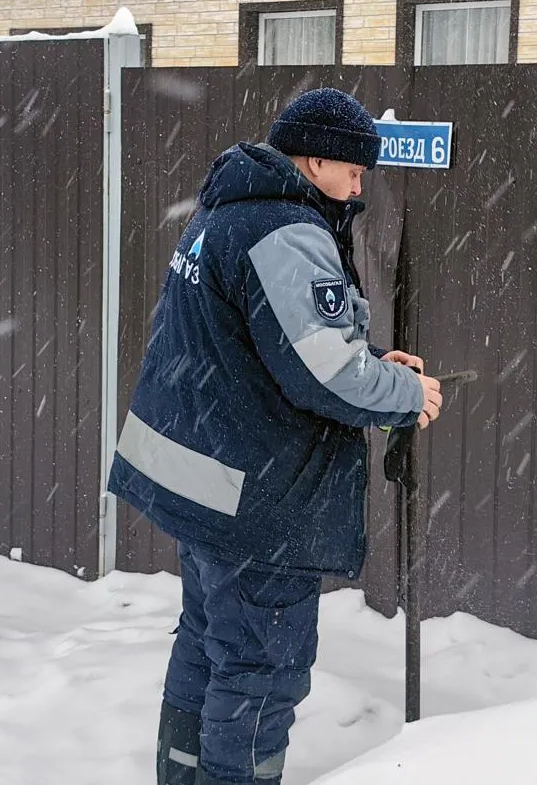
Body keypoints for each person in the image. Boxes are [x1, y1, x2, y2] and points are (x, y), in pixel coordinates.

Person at [109, 88, 445, 785]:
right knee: (261, 677)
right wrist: (405, 394)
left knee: (206, 650)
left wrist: (370, 355)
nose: (361, 187)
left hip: (206, 485)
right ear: (314, 159)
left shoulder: (226, 210)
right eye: (354, 171)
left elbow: (263, 340)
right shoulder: (286, 231)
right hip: (258, 505)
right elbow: (322, 377)